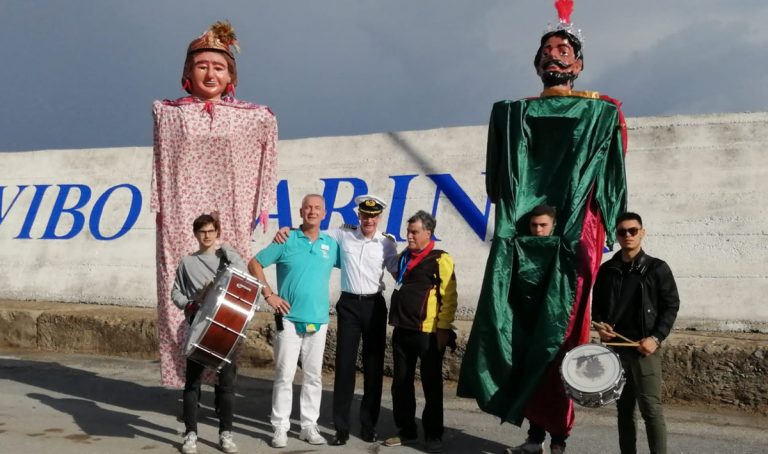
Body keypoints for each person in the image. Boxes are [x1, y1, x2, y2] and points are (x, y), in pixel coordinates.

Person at [457, 2, 629, 454]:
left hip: (572, 242)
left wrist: (608, 221)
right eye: (548, 50)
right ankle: (534, 430)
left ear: (579, 63)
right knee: (521, 329)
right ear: (537, 64)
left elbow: (612, 175)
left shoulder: (600, 114)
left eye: (563, 49)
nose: (554, 55)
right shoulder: (513, 114)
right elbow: (499, 180)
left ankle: (558, 433)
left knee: (563, 336)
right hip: (521, 244)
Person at [152, 20, 278, 388]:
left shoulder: (254, 118)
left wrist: (263, 202)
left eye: (219, 66)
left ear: (230, 76)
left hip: (231, 211)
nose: (210, 73)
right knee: (184, 290)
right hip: (181, 215)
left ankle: (221, 378)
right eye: (202, 65)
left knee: (229, 291)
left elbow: (268, 153)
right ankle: (186, 380)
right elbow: (159, 162)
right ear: (188, 72)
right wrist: (160, 204)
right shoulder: (169, 113)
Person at [272, 194, 398, 445]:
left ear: (379, 217)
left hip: (374, 305)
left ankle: (368, 424)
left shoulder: (387, 243)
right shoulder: (342, 235)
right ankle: (341, 426)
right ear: (358, 216)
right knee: (344, 367)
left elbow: (398, 270)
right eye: (364, 215)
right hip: (349, 305)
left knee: (373, 368)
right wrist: (287, 230)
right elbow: (313, 228)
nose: (368, 220)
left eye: (373, 216)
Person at [247, 194, 340, 449]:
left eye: (317, 208)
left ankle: (309, 426)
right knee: (284, 375)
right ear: (301, 212)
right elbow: (254, 263)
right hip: (287, 319)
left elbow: (355, 258)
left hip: (318, 321)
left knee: (313, 376)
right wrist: (269, 294)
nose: (312, 211)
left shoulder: (330, 245)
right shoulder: (286, 239)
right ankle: (280, 427)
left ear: (324, 213)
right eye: (308, 207)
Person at [592, 212, 680, 454]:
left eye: (633, 230)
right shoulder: (607, 269)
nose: (628, 235)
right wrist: (601, 327)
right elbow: (597, 308)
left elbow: (671, 305)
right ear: (617, 236)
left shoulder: (657, 268)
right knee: (624, 411)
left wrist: (656, 338)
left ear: (642, 232)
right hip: (618, 350)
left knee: (651, 409)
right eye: (622, 232)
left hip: (645, 349)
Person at [171, 214, 247, 454]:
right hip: (199, 328)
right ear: (195, 234)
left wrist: (226, 247)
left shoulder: (226, 259)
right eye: (202, 232)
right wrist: (189, 304)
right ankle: (191, 434)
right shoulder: (186, 262)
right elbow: (176, 293)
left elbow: (244, 274)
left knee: (225, 385)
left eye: (211, 231)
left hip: (228, 328)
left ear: (217, 233)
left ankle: (226, 434)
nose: (207, 236)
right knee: (192, 384)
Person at [383, 211, 457, 454]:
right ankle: (407, 430)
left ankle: (434, 434)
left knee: (431, 386)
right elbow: (400, 279)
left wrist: (444, 328)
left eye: (414, 232)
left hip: (428, 334)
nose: (410, 236)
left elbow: (450, 296)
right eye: (408, 232)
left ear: (428, 232)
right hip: (402, 330)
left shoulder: (440, 259)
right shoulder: (406, 256)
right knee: (401, 384)